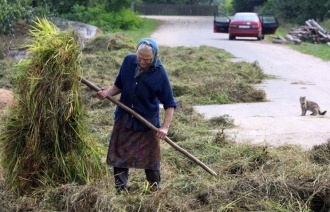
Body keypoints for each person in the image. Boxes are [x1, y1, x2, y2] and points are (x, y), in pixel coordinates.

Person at [96, 38, 178, 193]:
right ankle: (120, 190)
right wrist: (107, 92)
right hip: (124, 117)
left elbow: (170, 103)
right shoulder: (128, 61)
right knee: (119, 154)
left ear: (154, 57)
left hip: (147, 122)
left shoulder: (159, 73)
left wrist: (165, 127)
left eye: (147, 59)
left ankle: (154, 190)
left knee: (151, 158)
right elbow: (118, 85)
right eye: (140, 58)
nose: (143, 61)